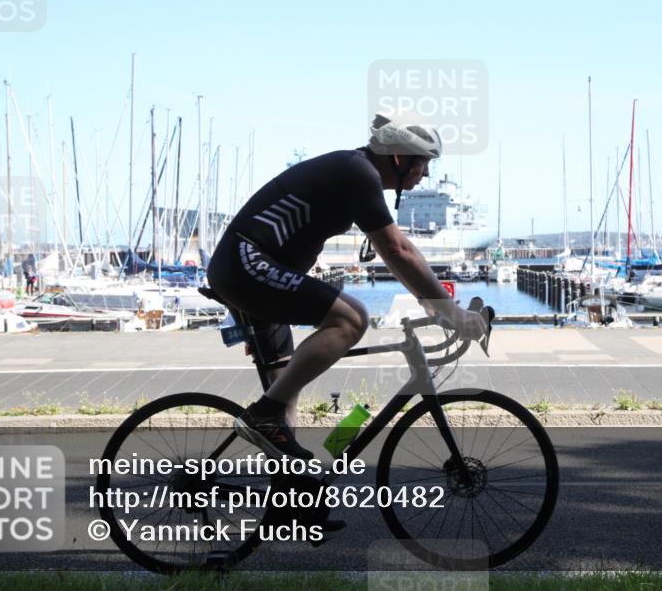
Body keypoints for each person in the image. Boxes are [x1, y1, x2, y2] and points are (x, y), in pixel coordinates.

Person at [206, 114, 487, 462]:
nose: (426, 173)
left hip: (251, 271)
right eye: (424, 163)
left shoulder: (355, 171)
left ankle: (292, 510)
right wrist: (449, 310)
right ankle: (263, 417)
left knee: (284, 402)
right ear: (399, 158)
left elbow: (391, 251)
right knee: (353, 318)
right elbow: (397, 250)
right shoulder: (358, 171)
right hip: (245, 265)